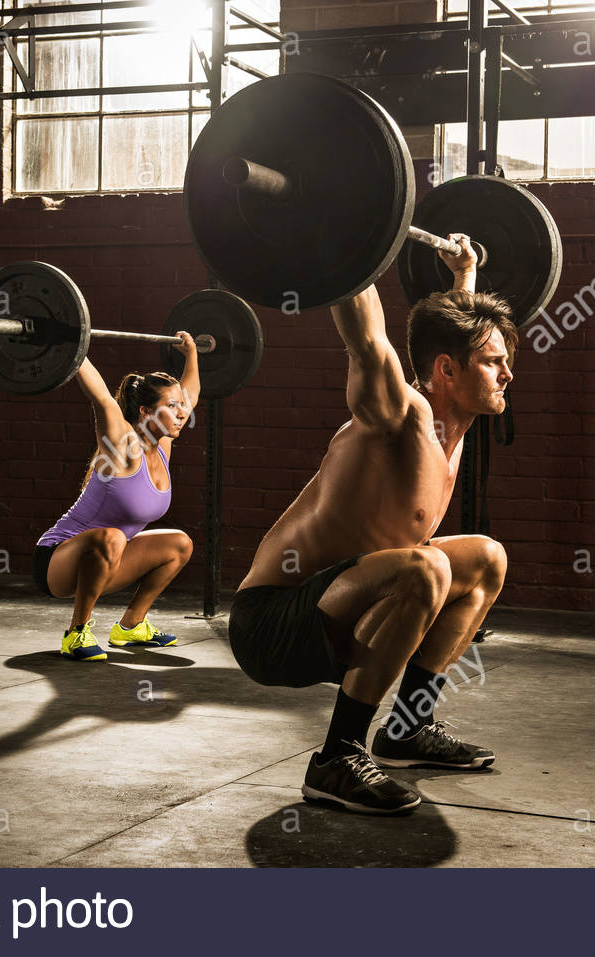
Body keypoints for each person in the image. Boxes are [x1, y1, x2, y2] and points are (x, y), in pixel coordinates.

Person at [229, 235, 514, 814]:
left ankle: (407, 727)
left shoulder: (452, 419)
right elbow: (367, 343)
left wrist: (464, 278)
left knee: (486, 557)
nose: (507, 373)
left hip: (340, 605)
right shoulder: (399, 415)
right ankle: (336, 758)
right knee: (426, 565)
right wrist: (345, 231)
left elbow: (448, 339)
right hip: (272, 624)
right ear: (448, 370)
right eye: (494, 362)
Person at [32, 335, 199, 661]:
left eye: (181, 406)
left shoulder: (162, 445)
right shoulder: (123, 444)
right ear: (145, 412)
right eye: (172, 406)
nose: (183, 413)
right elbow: (103, 399)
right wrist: (72, 344)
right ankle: (76, 633)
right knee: (111, 537)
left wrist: (192, 353)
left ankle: (131, 626)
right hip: (57, 563)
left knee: (180, 544)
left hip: (109, 559)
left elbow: (190, 394)